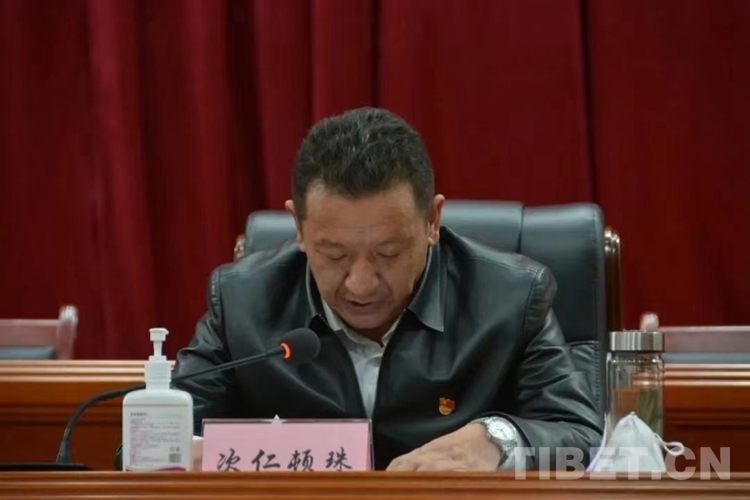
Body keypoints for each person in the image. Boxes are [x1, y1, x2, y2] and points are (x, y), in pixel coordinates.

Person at [172, 107, 602, 471]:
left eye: (389, 252)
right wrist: (209, 452)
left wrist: (497, 440)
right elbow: (158, 436)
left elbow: (582, 439)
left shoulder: (512, 298)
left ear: (432, 221)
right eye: (335, 255)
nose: (361, 284)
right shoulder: (242, 301)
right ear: (298, 227)